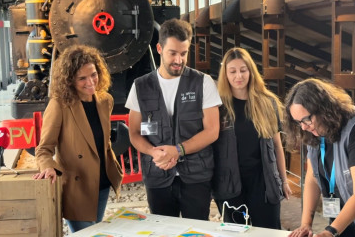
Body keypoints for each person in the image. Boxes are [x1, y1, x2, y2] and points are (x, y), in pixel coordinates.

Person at [125, 18, 222, 220]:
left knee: (196, 231)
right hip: (157, 177)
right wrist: (154, 152)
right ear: (159, 48)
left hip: (196, 176)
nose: (178, 60)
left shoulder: (203, 83)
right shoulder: (140, 86)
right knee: (162, 231)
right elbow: (134, 133)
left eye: (184, 53)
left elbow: (212, 131)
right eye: (173, 53)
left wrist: (178, 150)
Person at [284, 79, 355, 237]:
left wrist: (330, 232)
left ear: (324, 109)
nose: (303, 127)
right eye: (298, 122)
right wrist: (306, 224)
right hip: (341, 224)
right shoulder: (314, 131)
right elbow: (312, 178)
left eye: (307, 119)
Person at [33, 45, 123, 233]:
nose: (90, 82)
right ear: (69, 80)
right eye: (82, 78)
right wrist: (48, 166)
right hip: (77, 187)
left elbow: (103, 143)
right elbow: (44, 149)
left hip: (102, 182)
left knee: (96, 231)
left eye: (93, 74)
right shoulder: (59, 105)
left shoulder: (106, 100)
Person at [212, 47, 291, 229]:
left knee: (269, 230)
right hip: (230, 183)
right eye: (232, 71)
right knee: (236, 232)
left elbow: (278, 146)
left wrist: (284, 181)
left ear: (251, 72)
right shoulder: (218, 106)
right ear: (225, 75)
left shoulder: (267, 102)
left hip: (263, 182)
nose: (238, 76)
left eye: (243, 70)